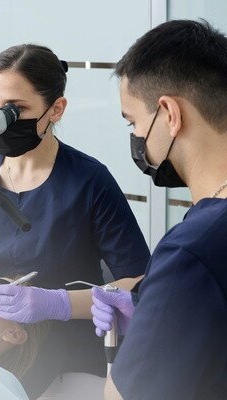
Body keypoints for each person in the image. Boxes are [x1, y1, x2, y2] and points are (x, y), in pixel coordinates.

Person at [0, 44, 150, 398]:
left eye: (16, 109)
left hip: (70, 349)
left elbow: (139, 284)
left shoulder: (89, 181)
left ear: (56, 109)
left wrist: (57, 303)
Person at [91, 20, 227, 400]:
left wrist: (149, 327)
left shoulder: (192, 250)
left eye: (133, 121)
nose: (136, 137)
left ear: (169, 113)